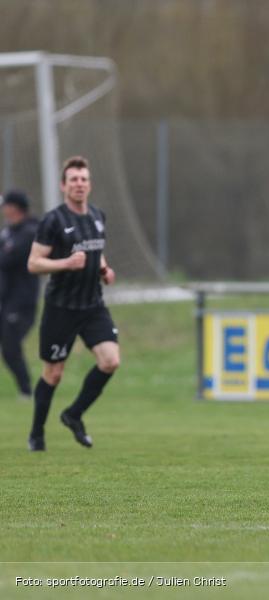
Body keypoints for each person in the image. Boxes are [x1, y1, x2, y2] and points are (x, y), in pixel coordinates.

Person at [26, 156, 120, 451]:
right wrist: (65, 263)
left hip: (92, 305)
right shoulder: (53, 221)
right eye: (74, 180)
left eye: (83, 179)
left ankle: (73, 414)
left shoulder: (97, 216)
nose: (79, 184)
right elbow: (33, 263)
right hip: (61, 308)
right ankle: (36, 434)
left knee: (110, 361)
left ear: (89, 185)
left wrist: (104, 269)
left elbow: (96, 250)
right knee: (53, 374)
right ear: (63, 185)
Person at [0, 190, 40, 399]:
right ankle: (25, 389)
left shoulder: (29, 232)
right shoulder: (9, 232)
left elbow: (7, 259)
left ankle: (26, 391)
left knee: (10, 346)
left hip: (21, 302)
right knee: (8, 348)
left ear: (14, 207)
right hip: (6, 300)